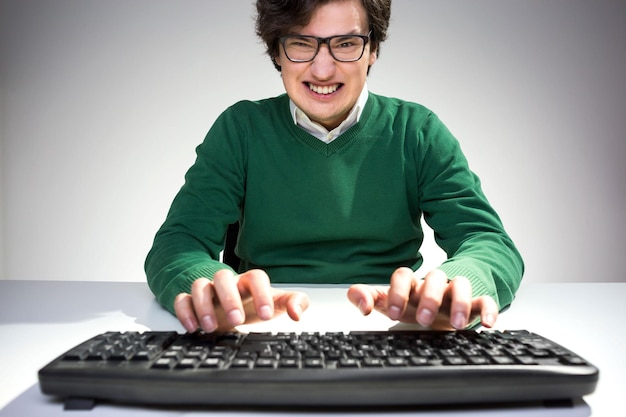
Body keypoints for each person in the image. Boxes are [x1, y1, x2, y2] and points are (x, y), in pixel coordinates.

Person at [145, 0, 524, 334]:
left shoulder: (417, 130)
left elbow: (489, 242)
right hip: (262, 327)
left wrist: (459, 285)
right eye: (301, 43)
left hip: (394, 327)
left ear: (372, 49)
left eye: (345, 44)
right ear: (276, 50)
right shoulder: (241, 129)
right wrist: (210, 285)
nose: (323, 69)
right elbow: (179, 243)